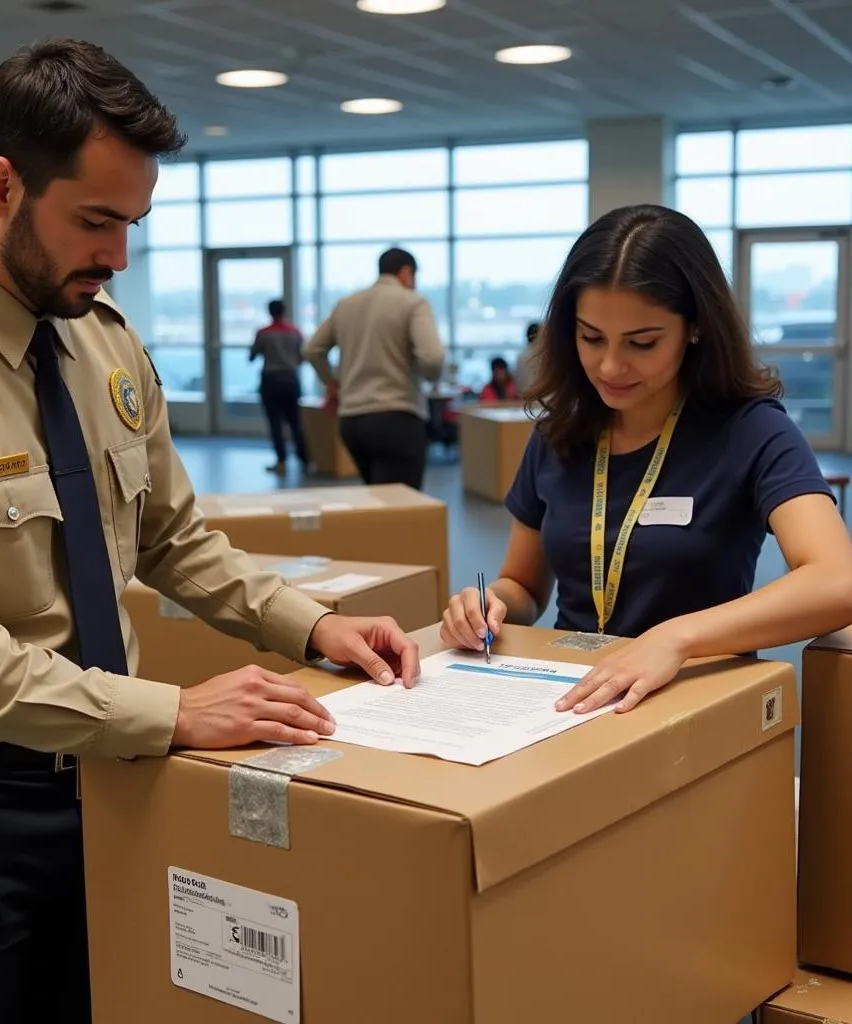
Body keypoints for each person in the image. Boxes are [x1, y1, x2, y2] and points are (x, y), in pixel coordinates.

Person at [0, 39, 420, 1024]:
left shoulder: (103, 344)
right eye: (96, 221)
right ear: (3, 185)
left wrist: (314, 626)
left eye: (132, 223)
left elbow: (176, 538)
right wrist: (172, 713)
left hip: (108, 781)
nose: (118, 257)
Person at [441, 204, 852, 716]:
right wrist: (487, 605)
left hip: (691, 700)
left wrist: (676, 638)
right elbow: (524, 585)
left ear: (695, 327)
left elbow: (838, 581)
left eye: (642, 342)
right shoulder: (559, 433)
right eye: (591, 337)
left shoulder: (750, 430)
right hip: (569, 697)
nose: (611, 365)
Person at [304, 247, 445, 491]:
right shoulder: (412, 303)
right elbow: (432, 359)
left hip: (352, 423)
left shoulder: (346, 304)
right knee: (400, 510)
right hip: (397, 418)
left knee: (378, 500)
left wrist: (333, 383)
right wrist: (431, 377)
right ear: (406, 271)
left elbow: (312, 350)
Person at [249, 298, 310, 475]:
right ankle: (304, 459)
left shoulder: (263, 333)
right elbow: (302, 357)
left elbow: (253, 355)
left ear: (270, 312)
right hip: (291, 381)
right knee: (295, 422)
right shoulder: (296, 332)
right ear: (284, 311)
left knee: (275, 423)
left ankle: (281, 461)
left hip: (271, 381)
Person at [514, 320, 542, 395]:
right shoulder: (542, 355)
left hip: (525, 399)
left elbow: (518, 384)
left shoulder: (521, 356)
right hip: (541, 400)